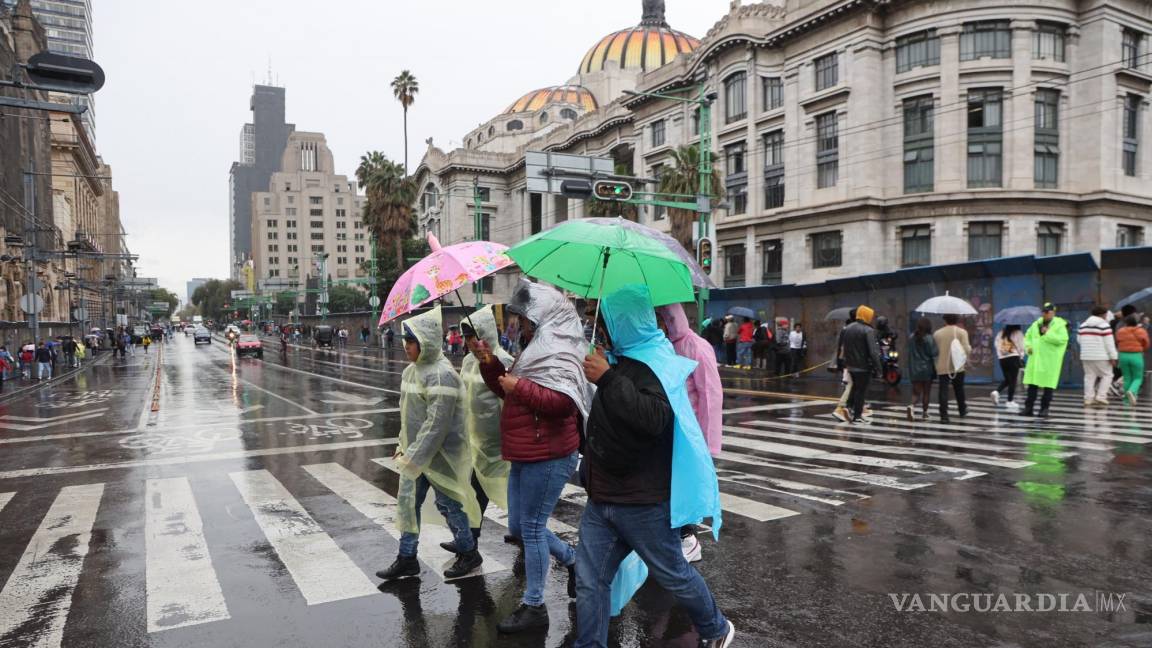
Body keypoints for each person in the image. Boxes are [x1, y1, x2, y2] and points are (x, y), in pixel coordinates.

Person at [577, 285, 732, 648]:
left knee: (674, 574)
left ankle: (715, 626)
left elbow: (654, 418)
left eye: (603, 318)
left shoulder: (656, 361)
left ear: (623, 320)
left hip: (643, 501)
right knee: (589, 579)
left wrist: (608, 378)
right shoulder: (615, 358)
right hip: (603, 498)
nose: (595, 325)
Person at [477, 280, 589, 633]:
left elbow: (563, 403)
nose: (518, 325)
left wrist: (518, 386)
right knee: (518, 527)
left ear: (539, 319)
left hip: (550, 453)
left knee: (533, 528)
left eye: (523, 319)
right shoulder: (534, 349)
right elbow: (508, 391)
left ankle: (534, 606)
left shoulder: (559, 352)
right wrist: (490, 363)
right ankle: (572, 560)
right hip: (526, 450)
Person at [375, 306, 483, 583]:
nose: (407, 347)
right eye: (406, 341)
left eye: (411, 341)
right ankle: (407, 557)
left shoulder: (442, 374)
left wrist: (414, 456)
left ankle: (469, 552)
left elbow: (437, 425)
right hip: (415, 455)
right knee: (408, 503)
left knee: (449, 505)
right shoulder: (411, 372)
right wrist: (402, 445)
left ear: (427, 342)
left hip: (441, 456)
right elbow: (408, 414)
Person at [657, 302, 724, 562]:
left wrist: (708, 444)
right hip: (669, 428)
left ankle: (688, 537)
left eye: (663, 317)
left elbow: (711, 396)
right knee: (669, 485)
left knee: (684, 486)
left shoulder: (696, 346)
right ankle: (677, 536)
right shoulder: (665, 345)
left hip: (689, 431)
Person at [454, 307, 513, 551]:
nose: (469, 342)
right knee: (478, 489)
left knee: (502, 490)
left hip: (499, 443)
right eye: (466, 337)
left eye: (473, 336)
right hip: (475, 439)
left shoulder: (504, 362)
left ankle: (469, 543)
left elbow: (509, 403)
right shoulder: (468, 362)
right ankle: (470, 541)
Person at [1022, 302, 1069, 417]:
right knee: (1032, 385)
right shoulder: (1035, 324)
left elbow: (1062, 340)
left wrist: (1047, 333)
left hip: (1049, 361)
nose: (1046, 314)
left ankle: (1044, 409)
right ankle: (1029, 408)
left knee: (1048, 386)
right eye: (1044, 311)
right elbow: (1027, 337)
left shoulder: (1059, 325)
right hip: (1035, 359)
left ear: (1053, 312)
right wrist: (1028, 347)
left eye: (1049, 312)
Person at [840, 306, 882, 424]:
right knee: (861, 391)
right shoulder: (868, 330)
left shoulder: (847, 328)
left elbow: (844, 347)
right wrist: (879, 369)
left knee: (855, 388)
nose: (872, 318)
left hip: (850, 365)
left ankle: (848, 407)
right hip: (863, 366)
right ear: (866, 315)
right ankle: (857, 416)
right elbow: (873, 352)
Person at [1077, 305, 1118, 407]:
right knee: (1108, 375)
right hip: (1101, 356)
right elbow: (1109, 343)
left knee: (1089, 377)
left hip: (1086, 355)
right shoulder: (1104, 326)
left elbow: (1079, 340)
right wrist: (1113, 357)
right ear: (1103, 315)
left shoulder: (1083, 325)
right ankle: (1101, 397)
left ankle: (1088, 399)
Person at [933, 315, 971, 423]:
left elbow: (934, 351)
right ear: (956, 320)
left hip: (942, 365)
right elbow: (967, 349)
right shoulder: (962, 332)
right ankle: (962, 409)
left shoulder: (937, 334)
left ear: (944, 320)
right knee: (959, 389)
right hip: (957, 366)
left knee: (943, 390)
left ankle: (944, 415)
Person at [906, 317, 938, 421]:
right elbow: (933, 352)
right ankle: (925, 413)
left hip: (914, 369)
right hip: (926, 369)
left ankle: (911, 406)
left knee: (916, 392)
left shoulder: (911, 337)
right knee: (926, 392)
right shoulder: (929, 338)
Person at [830, 309, 857, 423]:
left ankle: (855, 408)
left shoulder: (846, 329)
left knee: (853, 386)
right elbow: (843, 347)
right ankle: (841, 408)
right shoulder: (851, 330)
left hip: (846, 361)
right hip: (850, 362)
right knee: (851, 385)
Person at [1116, 314, 1150, 405]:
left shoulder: (1120, 331)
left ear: (1126, 322)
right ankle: (1132, 391)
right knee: (1138, 377)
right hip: (1136, 355)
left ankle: (1127, 401)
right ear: (1137, 322)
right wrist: (1142, 349)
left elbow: (1117, 341)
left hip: (1123, 355)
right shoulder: (1141, 331)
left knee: (1127, 378)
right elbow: (1146, 343)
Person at [991, 324, 1026, 411]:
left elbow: (996, 344)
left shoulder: (1001, 333)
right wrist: (1021, 357)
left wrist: (1000, 355)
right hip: (1013, 358)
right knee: (1013, 380)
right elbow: (1022, 346)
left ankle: (996, 392)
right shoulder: (1018, 333)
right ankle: (1010, 401)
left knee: (1008, 379)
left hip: (1002, 359)